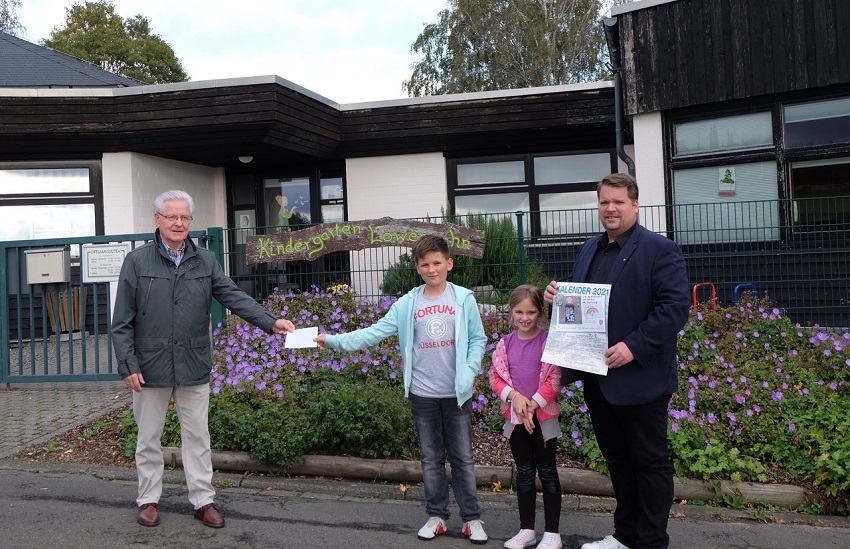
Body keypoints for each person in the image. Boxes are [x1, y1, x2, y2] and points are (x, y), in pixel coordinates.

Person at [112, 190, 295, 529]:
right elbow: (121, 321)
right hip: (149, 367)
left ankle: (202, 501)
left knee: (197, 437)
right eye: (171, 216)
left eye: (184, 217)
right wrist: (128, 364)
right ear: (157, 220)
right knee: (148, 438)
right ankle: (148, 500)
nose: (178, 223)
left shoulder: (206, 260)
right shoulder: (137, 262)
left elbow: (232, 295)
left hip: (194, 363)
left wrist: (270, 321)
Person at [544, 173, 689, 549]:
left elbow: (674, 309)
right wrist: (557, 298)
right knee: (619, 463)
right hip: (598, 377)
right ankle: (626, 535)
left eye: (618, 202)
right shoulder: (589, 249)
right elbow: (584, 306)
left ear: (635, 205)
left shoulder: (660, 249)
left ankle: (651, 541)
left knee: (649, 463)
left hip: (641, 377)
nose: (610, 208)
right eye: (604, 202)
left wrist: (634, 346)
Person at [314, 235, 488, 545]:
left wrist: (470, 371)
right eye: (425, 264)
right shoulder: (408, 303)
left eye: (437, 263)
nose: (431, 269)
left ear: (449, 263)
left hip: (456, 394)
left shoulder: (464, 299)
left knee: (462, 459)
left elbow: (478, 340)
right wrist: (332, 341)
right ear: (417, 267)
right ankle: (436, 517)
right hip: (422, 394)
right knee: (432, 459)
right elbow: (372, 333)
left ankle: (471, 519)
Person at [489, 285, 563, 549]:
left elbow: (556, 378)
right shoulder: (504, 344)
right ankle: (527, 530)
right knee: (523, 471)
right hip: (515, 417)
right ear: (511, 312)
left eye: (531, 311)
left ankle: (553, 533)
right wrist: (514, 398)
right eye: (519, 311)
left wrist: (534, 403)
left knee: (547, 471)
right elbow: (495, 378)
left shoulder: (548, 342)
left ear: (540, 312)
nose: (525, 317)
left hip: (545, 417)